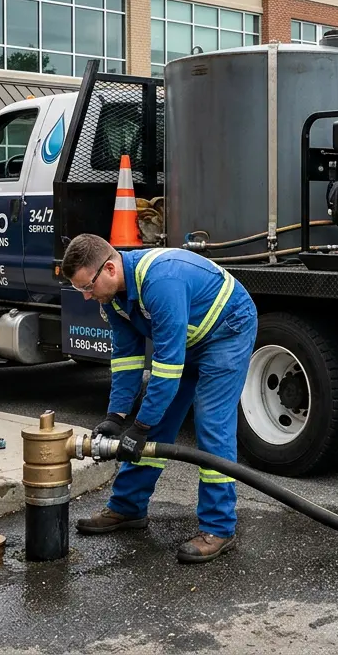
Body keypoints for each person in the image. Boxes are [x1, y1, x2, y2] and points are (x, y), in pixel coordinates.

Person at [60, 234, 257, 563]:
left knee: (211, 423)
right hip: (191, 340)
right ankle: (127, 507)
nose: (86, 296)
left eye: (87, 287)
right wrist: (116, 417)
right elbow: (126, 361)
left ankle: (219, 528)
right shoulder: (114, 298)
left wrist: (139, 426)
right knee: (156, 424)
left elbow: (166, 370)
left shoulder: (161, 280)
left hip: (227, 332)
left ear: (109, 268)